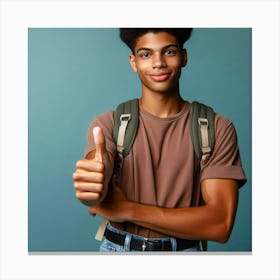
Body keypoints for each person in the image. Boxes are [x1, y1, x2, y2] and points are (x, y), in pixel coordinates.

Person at [72, 28, 247, 252]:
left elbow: (220, 224)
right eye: (146, 54)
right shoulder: (110, 123)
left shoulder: (217, 128)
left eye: (169, 52)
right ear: (133, 62)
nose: (158, 63)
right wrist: (95, 180)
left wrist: (127, 209)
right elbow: (98, 168)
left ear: (184, 57)